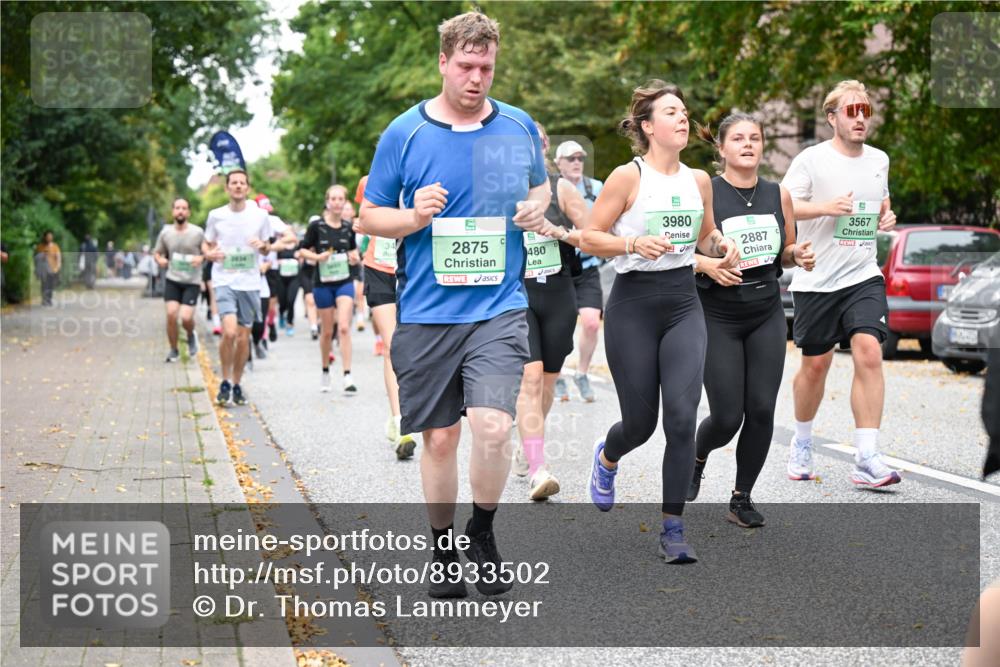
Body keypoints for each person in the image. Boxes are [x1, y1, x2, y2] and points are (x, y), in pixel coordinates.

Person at [360, 10, 549, 598]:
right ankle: (441, 546)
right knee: (441, 439)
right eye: (466, 66)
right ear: (443, 62)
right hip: (426, 312)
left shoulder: (518, 127)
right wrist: (414, 217)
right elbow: (370, 215)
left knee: (493, 426)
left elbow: (540, 187)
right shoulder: (405, 134)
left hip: (497, 307)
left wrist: (537, 207)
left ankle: (483, 532)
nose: (476, 78)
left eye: (486, 67)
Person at [580, 80, 739, 564]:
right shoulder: (627, 178)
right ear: (648, 127)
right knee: (641, 423)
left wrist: (722, 245)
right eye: (671, 112)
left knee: (681, 417)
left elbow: (707, 235)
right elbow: (589, 236)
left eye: (684, 111)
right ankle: (608, 456)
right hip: (633, 306)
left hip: (682, 302)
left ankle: (673, 527)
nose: (683, 117)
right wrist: (631, 244)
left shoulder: (698, 180)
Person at [685, 114, 816, 528]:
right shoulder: (706, 191)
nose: (748, 144)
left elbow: (786, 249)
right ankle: (697, 455)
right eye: (738, 139)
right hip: (718, 312)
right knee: (727, 416)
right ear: (721, 149)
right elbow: (682, 253)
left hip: (766, 312)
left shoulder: (780, 195)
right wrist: (707, 266)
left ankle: (741, 497)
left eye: (755, 138)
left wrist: (799, 255)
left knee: (760, 410)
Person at [781, 80, 900, 487]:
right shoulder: (811, 160)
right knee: (816, 365)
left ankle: (867, 456)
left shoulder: (879, 160)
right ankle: (801, 439)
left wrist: (888, 217)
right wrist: (824, 208)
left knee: (869, 350)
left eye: (865, 110)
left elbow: (880, 202)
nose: (861, 117)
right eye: (852, 110)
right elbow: (784, 205)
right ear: (832, 118)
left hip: (862, 274)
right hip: (817, 277)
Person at [510, 122, 588, 500]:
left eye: (536, 141)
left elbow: (592, 234)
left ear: (544, 147)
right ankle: (538, 468)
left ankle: (528, 443)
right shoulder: (501, 191)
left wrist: (558, 231)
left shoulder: (562, 188)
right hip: (517, 294)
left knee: (548, 381)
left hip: (558, 293)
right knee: (530, 376)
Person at [355, 175, 418, 459]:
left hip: (414, 268)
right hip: (379, 267)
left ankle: (411, 410)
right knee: (393, 345)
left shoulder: (422, 178)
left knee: (412, 347)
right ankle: (400, 421)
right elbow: (363, 220)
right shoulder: (369, 181)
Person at [201, 169, 272, 407]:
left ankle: (237, 382)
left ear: (247, 188)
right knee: (229, 332)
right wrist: (210, 254)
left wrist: (262, 245)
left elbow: (266, 247)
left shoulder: (260, 216)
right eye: (234, 183)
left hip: (250, 283)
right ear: (227, 188)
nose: (238, 186)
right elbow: (207, 244)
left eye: (242, 183)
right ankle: (225, 380)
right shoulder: (216, 215)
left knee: (243, 338)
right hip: (224, 280)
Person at [553, 139, 605, 403]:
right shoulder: (549, 189)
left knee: (592, 323)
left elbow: (608, 221)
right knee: (560, 327)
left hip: (586, 266)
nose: (576, 163)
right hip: (559, 268)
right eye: (570, 158)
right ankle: (557, 374)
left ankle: (582, 374)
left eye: (580, 158)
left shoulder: (596, 188)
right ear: (558, 163)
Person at [299, 185, 360, 394]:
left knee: (343, 327)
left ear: (344, 202)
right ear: (327, 202)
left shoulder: (347, 227)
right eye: (333, 198)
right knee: (326, 332)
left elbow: (354, 252)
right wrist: (317, 258)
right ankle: (325, 370)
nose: (336, 202)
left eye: (340, 199)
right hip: (323, 283)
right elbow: (303, 250)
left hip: (344, 281)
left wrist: (354, 257)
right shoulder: (316, 226)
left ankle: (347, 375)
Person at [153, 198, 204, 362]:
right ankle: (173, 349)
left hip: (192, 280)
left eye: (184, 208)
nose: (180, 211)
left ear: (188, 212)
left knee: (186, 318)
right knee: (171, 314)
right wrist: (159, 260)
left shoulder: (197, 232)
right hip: (173, 279)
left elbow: (207, 252)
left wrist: (201, 258)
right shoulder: (165, 233)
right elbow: (157, 253)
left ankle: (190, 335)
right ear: (173, 211)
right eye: (177, 208)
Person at [35, 231, 61, 306]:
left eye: (50, 236)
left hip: (52, 269)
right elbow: (36, 258)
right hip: (44, 269)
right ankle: (44, 299)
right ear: (45, 237)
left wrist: (58, 266)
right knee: (44, 284)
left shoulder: (55, 246)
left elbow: (58, 257)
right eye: (48, 236)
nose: (49, 238)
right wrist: (43, 255)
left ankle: (49, 299)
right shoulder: (40, 247)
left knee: (50, 285)